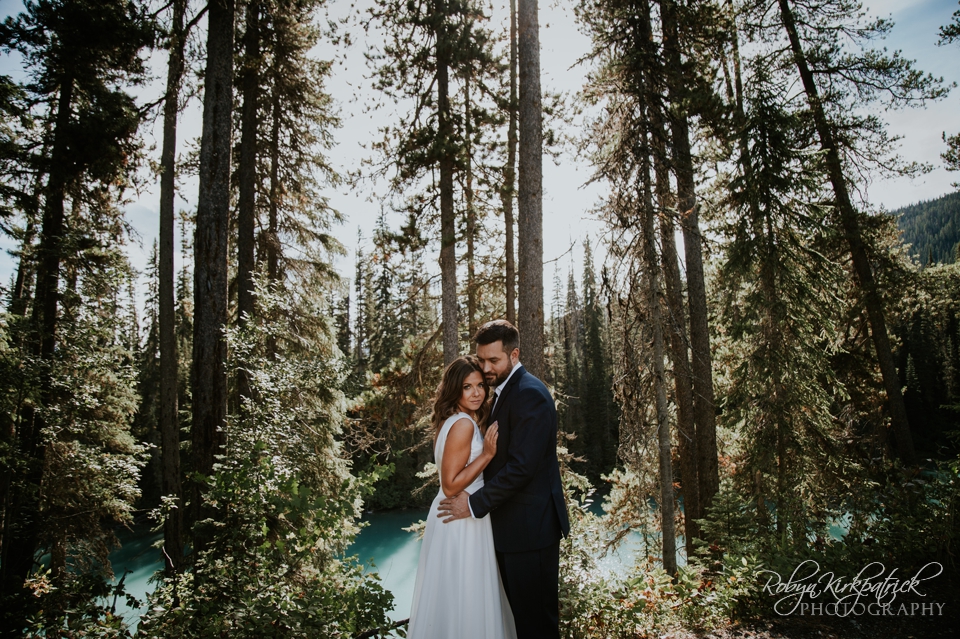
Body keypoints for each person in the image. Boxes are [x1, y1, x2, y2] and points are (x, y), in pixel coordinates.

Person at [439, 320, 570, 639]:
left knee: (536, 624)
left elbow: (521, 468)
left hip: (531, 530)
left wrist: (472, 504)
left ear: (514, 354)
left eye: (493, 360)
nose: (485, 368)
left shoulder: (530, 394)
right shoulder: (502, 392)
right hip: (511, 528)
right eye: (481, 360)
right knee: (518, 623)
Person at [407, 355, 517, 639]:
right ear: (455, 389)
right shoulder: (463, 424)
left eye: (480, 385)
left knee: (455, 595)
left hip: (455, 515)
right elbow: (451, 484)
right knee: (466, 593)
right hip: (461, 515)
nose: (477, 392)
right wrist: (489, 455)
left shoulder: (450, 420)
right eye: (467, 387)